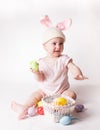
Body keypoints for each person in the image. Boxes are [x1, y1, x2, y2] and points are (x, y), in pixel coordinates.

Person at [11, 17, 87, 120]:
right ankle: (24, 108)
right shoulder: (41, 62)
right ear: (45, 46)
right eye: (54, 43)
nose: (58, 47)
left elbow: (72, 66)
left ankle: (57, 107)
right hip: (45, 91)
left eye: (61, 43)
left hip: (61, 92)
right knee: (35, 95)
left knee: (71, 94)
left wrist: (78, 73)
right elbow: (40, 79)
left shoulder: (64, 59)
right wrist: (36, 72)